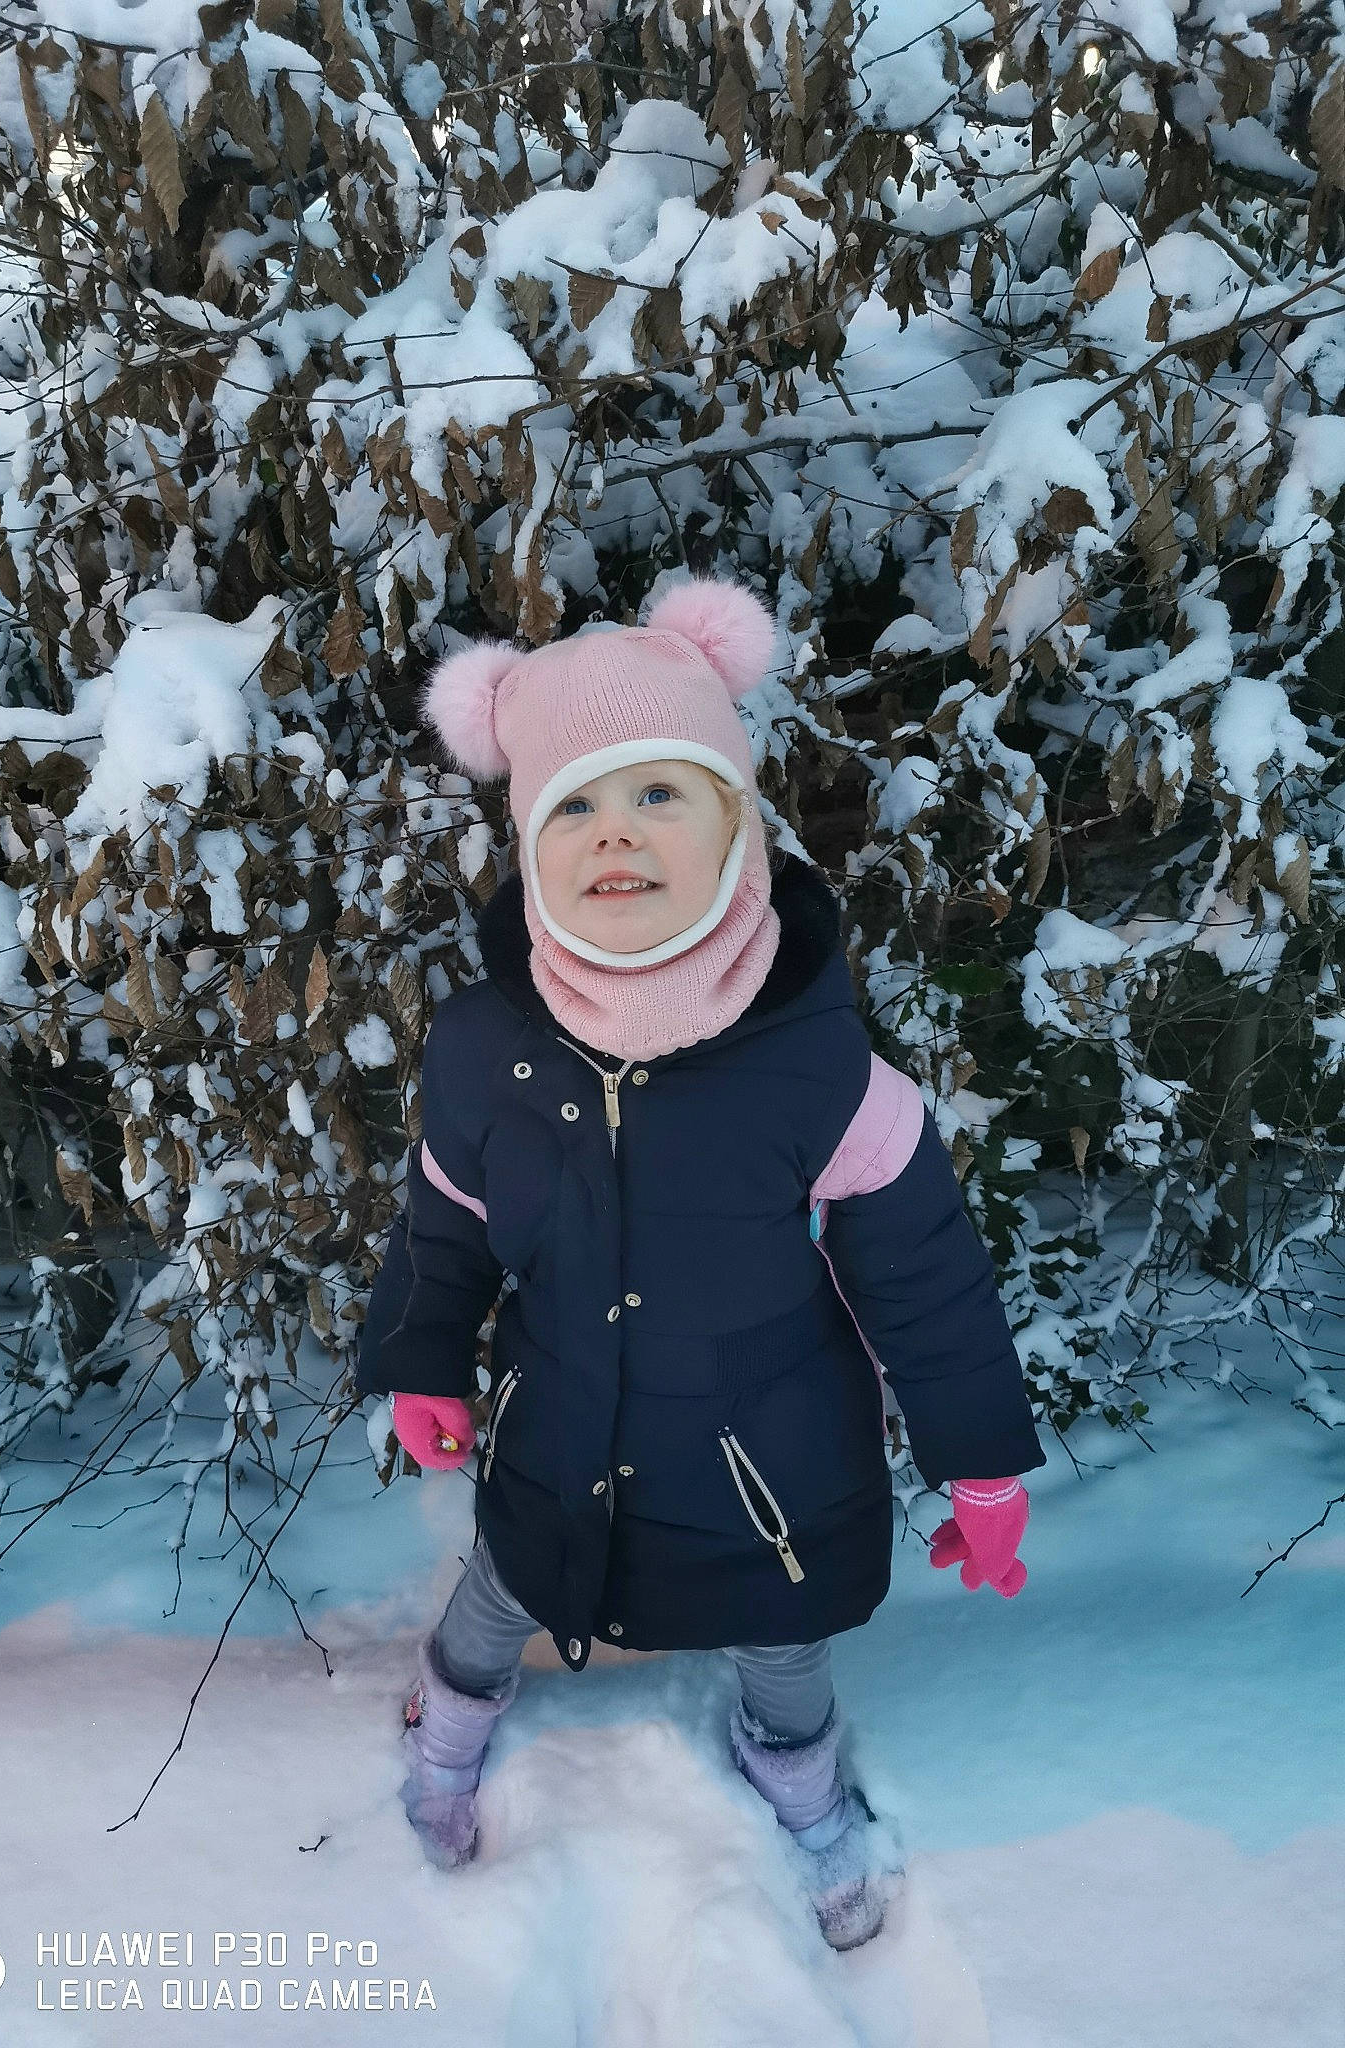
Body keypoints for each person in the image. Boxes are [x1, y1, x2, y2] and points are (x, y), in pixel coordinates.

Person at [351, 574, 1046, 1949]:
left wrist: (978, 1456)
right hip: (562, 1421)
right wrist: (424, 1352)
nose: (618, 834)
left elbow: (924, 1272)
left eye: (661, 796)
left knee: (783, 1631)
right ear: (530, 846)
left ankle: (791, 1768)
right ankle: (451, 1714)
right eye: (577, 807)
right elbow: (443, 1214)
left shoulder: (819, 1063)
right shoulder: (487, 1045)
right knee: (503, 1582)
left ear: (738, 822)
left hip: (771, 1449)